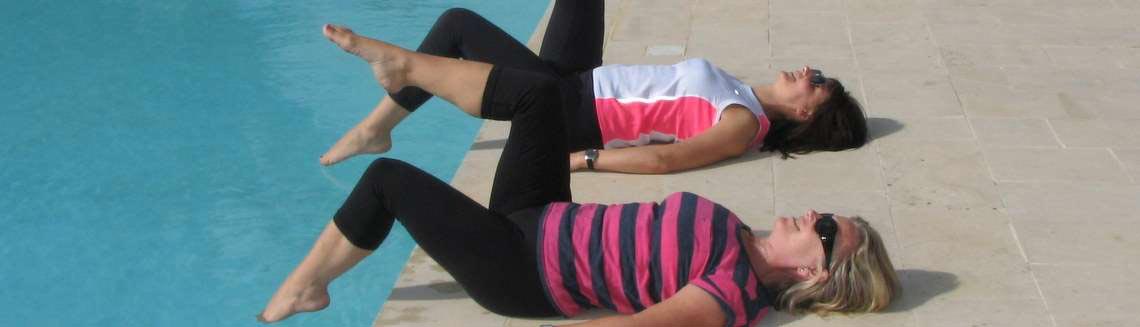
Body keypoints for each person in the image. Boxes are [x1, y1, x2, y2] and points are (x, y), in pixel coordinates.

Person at [258, 22, 899, 326]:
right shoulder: (735, 233)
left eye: (822, 228)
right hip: (544, 215)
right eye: (824, 214)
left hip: (525, 270)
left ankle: (302, 291)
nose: (810, 214)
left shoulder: (732, 294)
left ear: (815, 272)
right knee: (535, 96)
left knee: (389, 182)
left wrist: (587, 156)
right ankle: (406, 73)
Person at [317, 0, 868, 174]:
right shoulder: (743, 95)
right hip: (582, 83)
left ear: (805, 117)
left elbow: (667, 161)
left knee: (458, 25)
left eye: (818, 84)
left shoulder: (744, 123)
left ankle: (375, 127)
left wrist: (582, 161)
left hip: (575, 112)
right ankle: (378, 122)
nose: (809, 72)